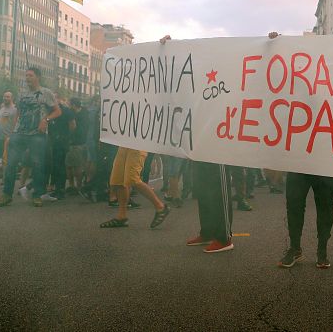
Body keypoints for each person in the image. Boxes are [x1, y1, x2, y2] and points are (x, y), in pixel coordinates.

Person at [158, 35, 233, 252]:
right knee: (203, 187)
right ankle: (208, 231)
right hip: (198, 141)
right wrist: (167, 48)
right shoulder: (193, 82)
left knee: (218, 187)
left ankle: (225, 237)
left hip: (217, 141)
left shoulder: (222, 76)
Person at [268, 32, 333, 270]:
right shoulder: (291, 81)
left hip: (326, 157)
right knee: (294, 203)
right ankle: (295, 248)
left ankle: (322, 250)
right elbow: (272, 78)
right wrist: (274, 46)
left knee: (325, 205)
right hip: (298, 156)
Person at [0, 67, 62, 208]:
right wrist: (12, 133)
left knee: (38, 165)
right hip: (20, 133)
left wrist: (46, 120)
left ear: (37, 77)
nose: (27, 78)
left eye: (30, 75)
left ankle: (37, 195)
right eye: (26, 76)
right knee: (11, 163)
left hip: (37, 135)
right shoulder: (22, 93)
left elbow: (57, 111)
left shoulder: (46, 93)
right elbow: (18, 113)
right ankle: (6, 194)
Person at [100, 146, 170, 229]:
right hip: (123, 144)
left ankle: (160, 207)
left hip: (137, 145)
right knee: (118, 180)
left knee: (132, 179)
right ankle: (122, 216)